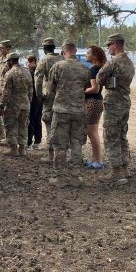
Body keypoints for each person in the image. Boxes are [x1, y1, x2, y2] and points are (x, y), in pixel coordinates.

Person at [47, 40, 90, 183]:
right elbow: (86, 87)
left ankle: (59, 177)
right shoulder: (84, 68)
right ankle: (75, 177)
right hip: (79, 111)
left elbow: (50, 89)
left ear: (63, 52)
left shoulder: (58, 66)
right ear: (75, 51)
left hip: (61, 111)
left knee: (60, 144)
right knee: (76, 143)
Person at [98, 33, 136, 182]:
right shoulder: (129, 62)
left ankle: (115, 171)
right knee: (122, 135)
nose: (108, 49)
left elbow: (100, 78)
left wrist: (107, 80)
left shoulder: (113, 62)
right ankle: (125, 168)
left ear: (115, 44)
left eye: (109, 46)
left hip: (113, 103)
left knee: (111, 136)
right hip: (125, 102)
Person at [35, 37, 63, 162]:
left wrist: (39, 96)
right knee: (62, 125)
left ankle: (51, 156)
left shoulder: (44, 61)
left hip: (50, 97)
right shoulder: (62, 59)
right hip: (63, 96)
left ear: (45, 49)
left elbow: (38, 80)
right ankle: (62, 154)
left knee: (49, 124)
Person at [0, 52, 33, 156]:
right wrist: (29, 101)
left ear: (10, 61)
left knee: (10, 125)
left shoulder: (10, 73)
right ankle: (22, 149)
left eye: (7, 62)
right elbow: (31, 89)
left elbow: (6, 92)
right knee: (23, 126)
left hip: (13, 104)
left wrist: (2, 105)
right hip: (26, 103)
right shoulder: (27, 72)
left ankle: (13, 149)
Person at [84, 45, 107, 170]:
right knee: (93, 132)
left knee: (92, 133)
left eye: (88, 53)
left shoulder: (93, 69)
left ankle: (97, 161)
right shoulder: (99, 68)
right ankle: (95, 159)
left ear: (94, 55)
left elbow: (95, 88)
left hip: (93, 102)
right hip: (96, 102)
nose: (85, 55)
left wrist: (82, 91)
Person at [26, 55, 43, 150]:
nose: (27, 64)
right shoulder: (39, 71)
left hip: (32, 99)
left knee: (30, 120)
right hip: (39, 99)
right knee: (37, 120)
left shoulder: (31, 72)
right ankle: (37, 141)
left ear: (32, 61)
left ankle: (28, 142)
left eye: (27, 62)